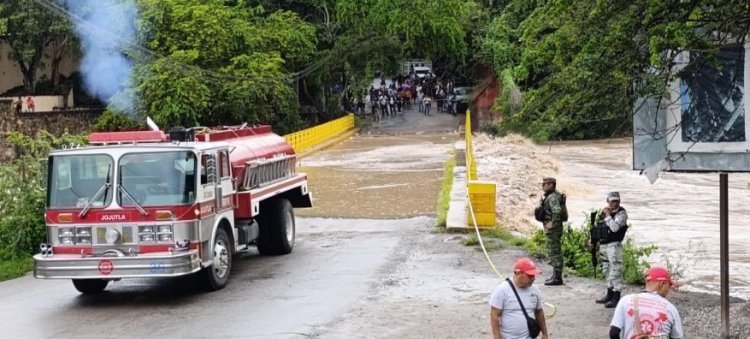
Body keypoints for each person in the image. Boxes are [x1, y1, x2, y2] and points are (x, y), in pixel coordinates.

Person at [609, 266, 683, 339]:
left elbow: (613, 333)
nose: (668, 289)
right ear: (662, 284)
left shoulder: (625, 300)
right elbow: (676, 337)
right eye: (669, 285)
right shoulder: (670, 309)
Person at [489, 257, 549, 339]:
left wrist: (545, 334)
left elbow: (539, 312)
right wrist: (497, 337)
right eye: (530, 275)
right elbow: (494, 315)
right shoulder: (502, 290)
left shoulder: (535, 290)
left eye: (534, 275)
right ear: (518, 273)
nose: (533, 278)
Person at [595, 192, 629, 308]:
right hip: (604, 245)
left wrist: (608, 216)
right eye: (612, 201)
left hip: (614, 245)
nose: (614, 203)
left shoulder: (622, 214)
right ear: (608, 201)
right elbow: (598, 228)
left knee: (615, 271)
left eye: (616, 201)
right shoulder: (604, 213)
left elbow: (614, 228)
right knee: (606, 270)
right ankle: (609, 294)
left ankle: (616, 296)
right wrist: (593, 240)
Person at [540, 177, 565, 285]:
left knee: (555, 252)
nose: (543, 186)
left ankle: (558, 277)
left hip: (554, 229)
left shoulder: (552, 197)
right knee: (553, 251)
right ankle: (555, 275)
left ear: (551, 185)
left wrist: (552, 223)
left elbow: (557, 211)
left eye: (545, 184)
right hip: (552, 228)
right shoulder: (552, 196)